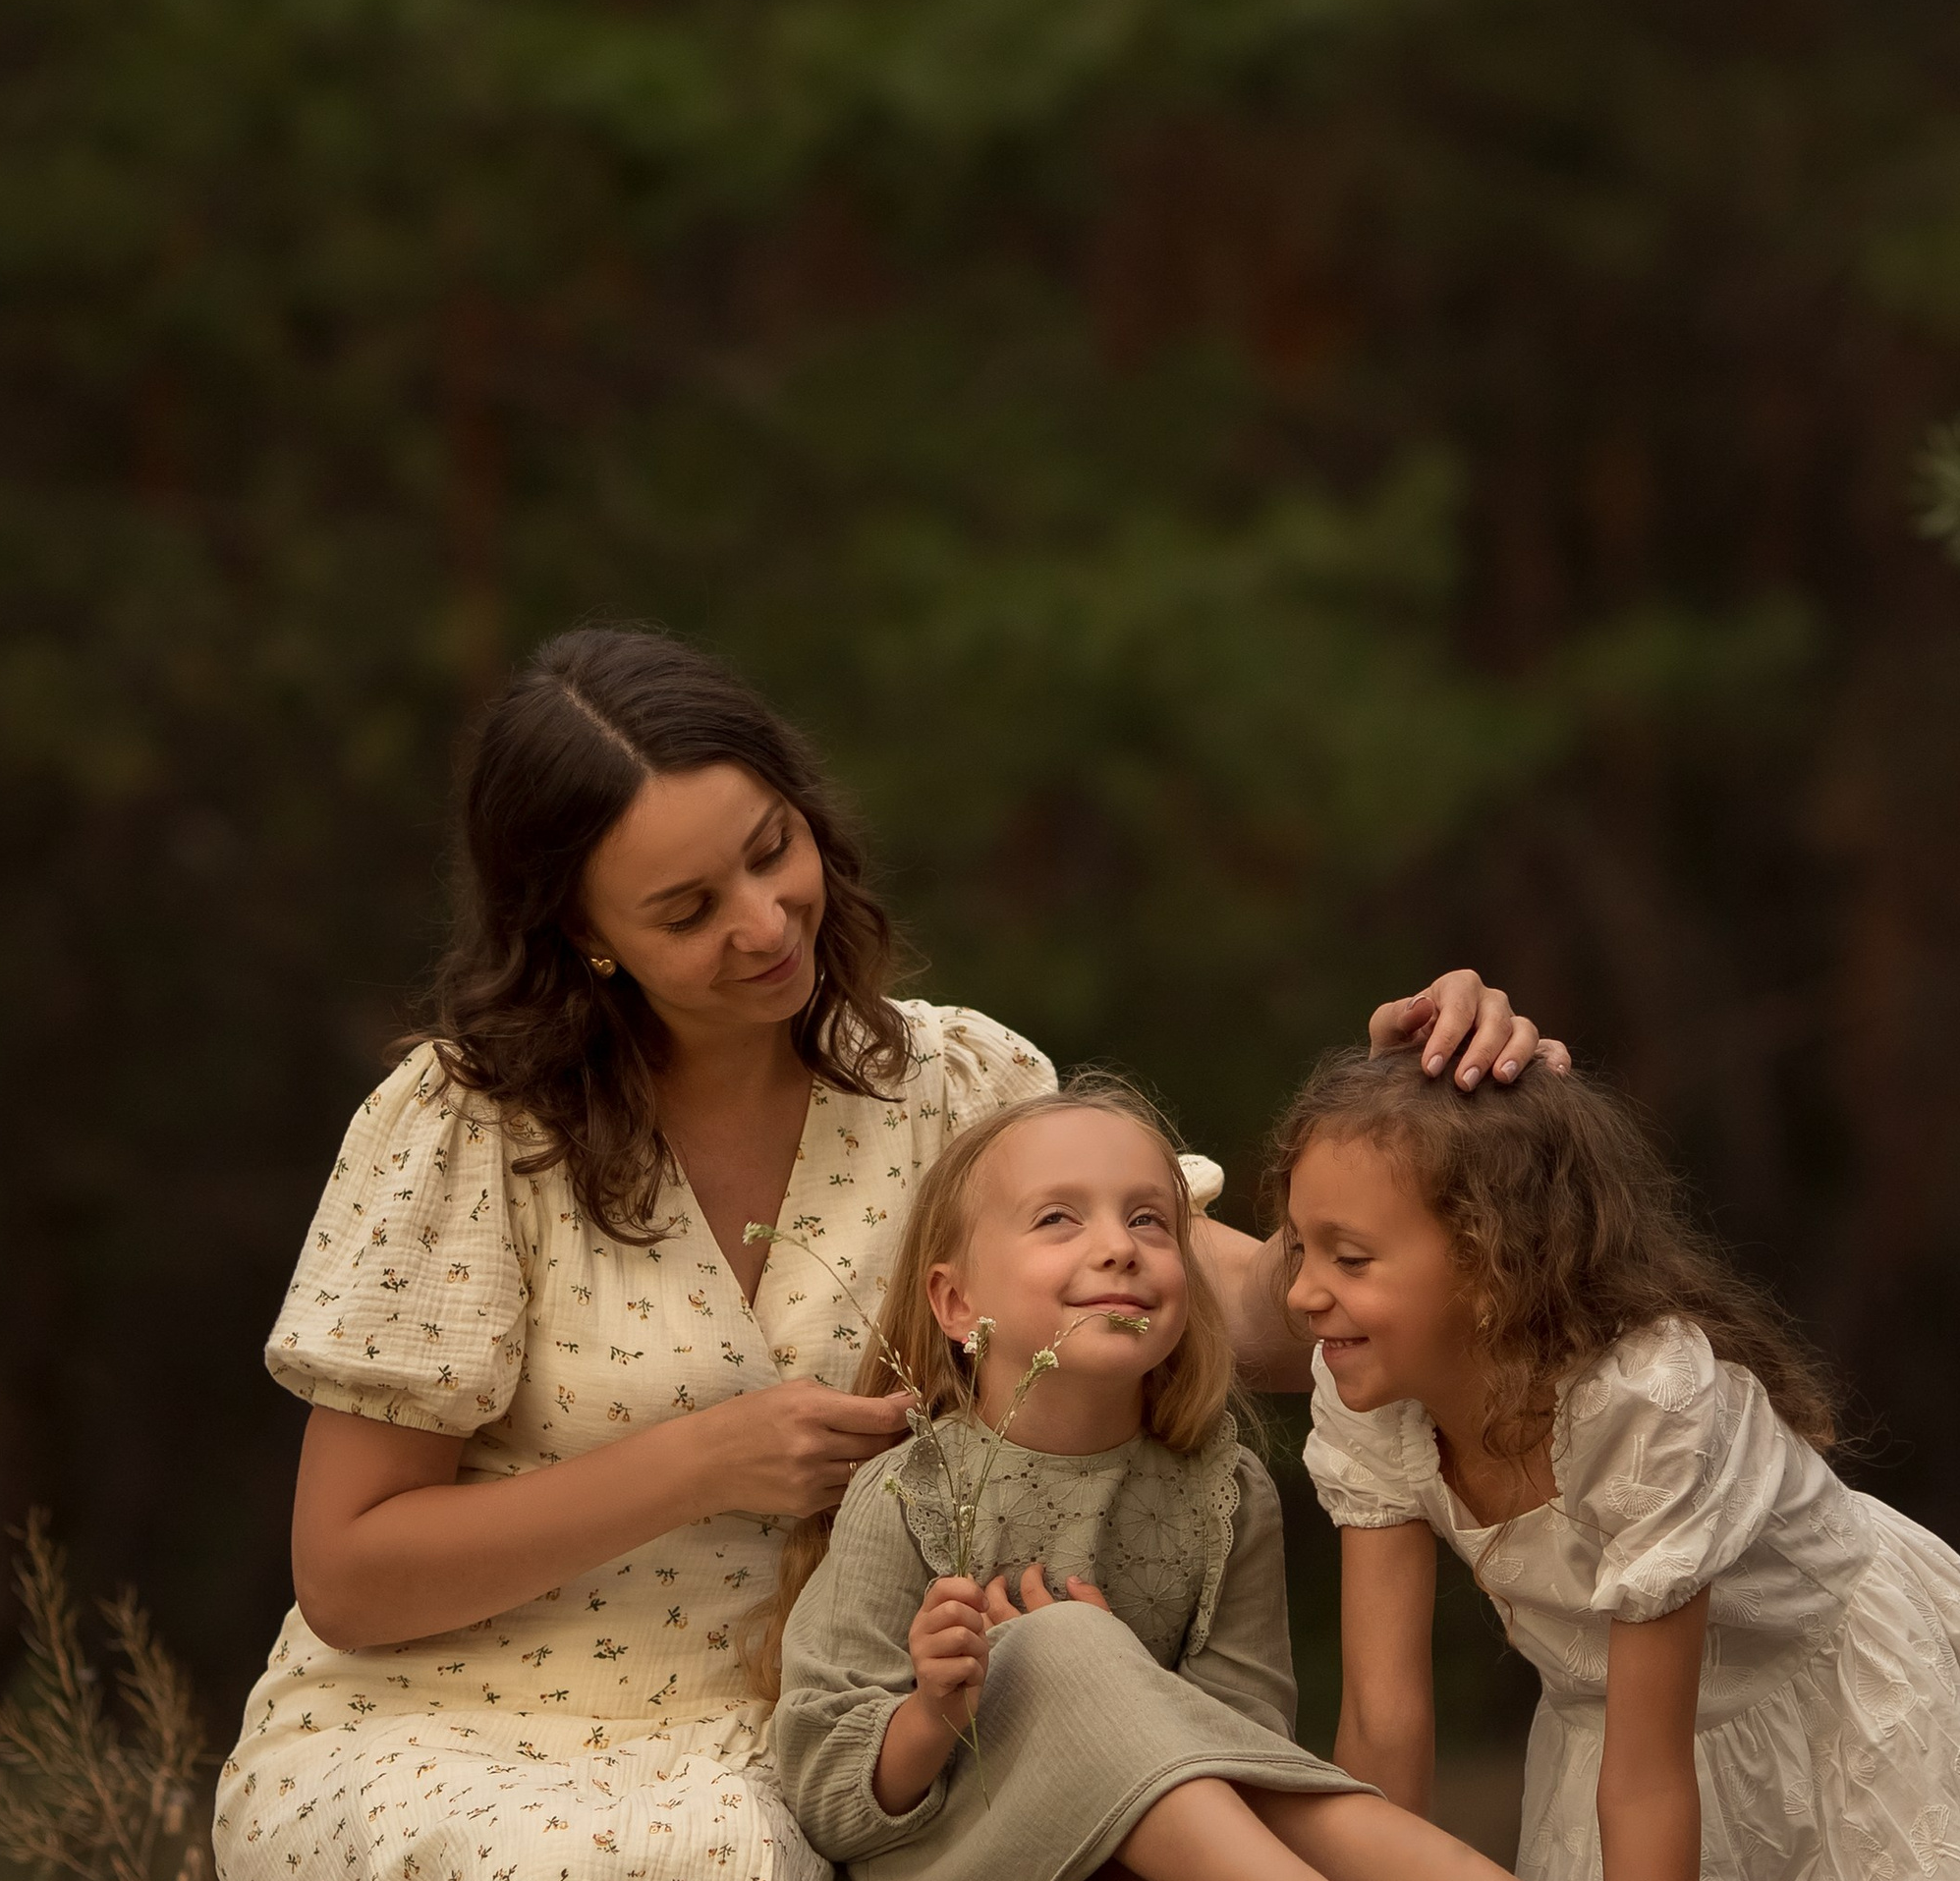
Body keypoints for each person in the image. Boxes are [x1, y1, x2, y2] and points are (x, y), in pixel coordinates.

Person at [213, 625, 1566, 1881]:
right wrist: (703, 1460)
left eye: (771, 849)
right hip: (449, 1729)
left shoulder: (955, 1086)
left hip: (838, 1726)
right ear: (582, 935)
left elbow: (1259, 1317)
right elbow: (349, 1575)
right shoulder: (466, 1127)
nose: (761, 922)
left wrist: (1439, 1128)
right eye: (684, 911)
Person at [1277, 1053, 1960, 1881]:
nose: (1303, 1294)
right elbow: (1384, 1724)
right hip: (1613, 1738)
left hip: (1834, 1711)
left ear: (1493, 1262)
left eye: (1348, 1258)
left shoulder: (1643, 1402)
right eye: (1299, 1250)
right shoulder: (1373, 1392)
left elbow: (1648, 1780)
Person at [770, 1077, 1513, 1881]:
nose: (1119, 1245)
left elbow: (1249, 1754)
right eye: (1058, 1217)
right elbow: (823, 1795)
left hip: (1173, 1857)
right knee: (1059, 1638)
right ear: (955, 1301)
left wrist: (1107, 1668)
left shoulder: (1223, 1492)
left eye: (1149, 1219)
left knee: (1077, 1645)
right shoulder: (906, 1491)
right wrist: (932, 1715)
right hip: (967, 1853)